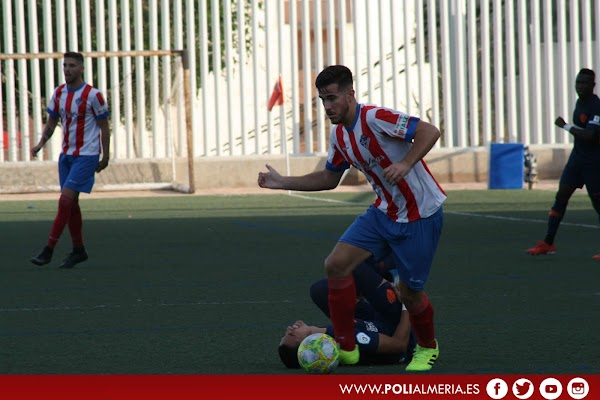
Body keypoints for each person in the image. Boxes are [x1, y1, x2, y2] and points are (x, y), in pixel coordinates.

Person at [258, 65, 446, 372]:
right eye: (323, 100)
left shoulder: (375, 118)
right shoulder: (340, 135)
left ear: (350, 94)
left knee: (410, 295)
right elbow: (330, 177)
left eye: (332, 98)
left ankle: (427, 347)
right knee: (336, 264)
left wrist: (406, 163)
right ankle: (347, 346)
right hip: (383, 211)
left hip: (419, 216)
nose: (328, 106)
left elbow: (429, 131)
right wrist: (282, 182)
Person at [30, 51, 111, 268]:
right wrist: (40, 144)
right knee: (72, 204)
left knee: (65, 200)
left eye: (72, 65)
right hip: (66, 156)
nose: (67, 69)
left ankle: (48, 250)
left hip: (86, 156)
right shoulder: (59, 93)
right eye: (65, 65)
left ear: (82, 69)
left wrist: (106, 155)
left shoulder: (93, 95)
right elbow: (52, 122)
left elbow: (104, 126)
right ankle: (78, 250)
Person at [278, 258, 416, 368]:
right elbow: (399, 345)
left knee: (319, 291)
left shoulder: (328, 337)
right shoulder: (348, 340)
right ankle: (399, 266)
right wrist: (407, 304)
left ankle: (377, 276)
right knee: (351, 263)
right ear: (308, 346)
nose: (289, 329)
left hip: (372, 322)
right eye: (291, 334)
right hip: (397, 329)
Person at [526, 68, 600, 259]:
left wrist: (565, 126)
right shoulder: (579, 103)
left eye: (585, 83)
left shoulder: (595, 106)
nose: (581, 86)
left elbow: (591, 135)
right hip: (577, 161)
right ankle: (548, 243)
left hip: (593, 162)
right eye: (578, 83)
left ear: (593, 85)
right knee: (561, 196)